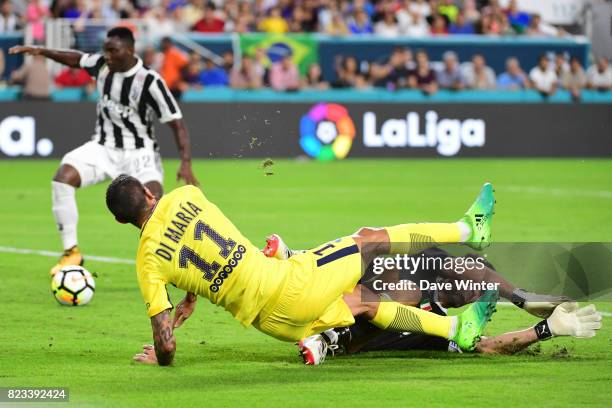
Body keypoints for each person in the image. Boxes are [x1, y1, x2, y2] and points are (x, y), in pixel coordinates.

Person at [105, 177, 499, 366]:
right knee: (368, 239)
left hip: (275, 324)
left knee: (367, 302)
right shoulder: (186, 194)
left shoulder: (147, 262)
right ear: (150, 193)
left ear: (125, 223)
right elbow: (200, 239)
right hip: (289, 283)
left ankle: (456, 331)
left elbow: (166, 343)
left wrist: (163, 354)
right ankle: (468, 230)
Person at [9, 27, 199, 276]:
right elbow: (75, 58)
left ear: (129, 50)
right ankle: (72, 252)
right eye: (105, 50)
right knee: (63, 178)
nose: (107, 55)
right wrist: (42, 51)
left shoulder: (149, 81)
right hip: (103, 147)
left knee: (156, 210)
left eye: (113, 50)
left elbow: (177, 122)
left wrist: (185, 162)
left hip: (140, 155)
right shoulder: (101, 65)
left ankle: (172, 265)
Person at [262, 236, 601, 364]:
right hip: (325, 302)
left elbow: (486, 346)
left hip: (348, 337)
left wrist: (546, 330)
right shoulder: (416, 266)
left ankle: (323, 338)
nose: (470, 294)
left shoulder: (443, 327)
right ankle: (298, 266)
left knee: (383, 297)